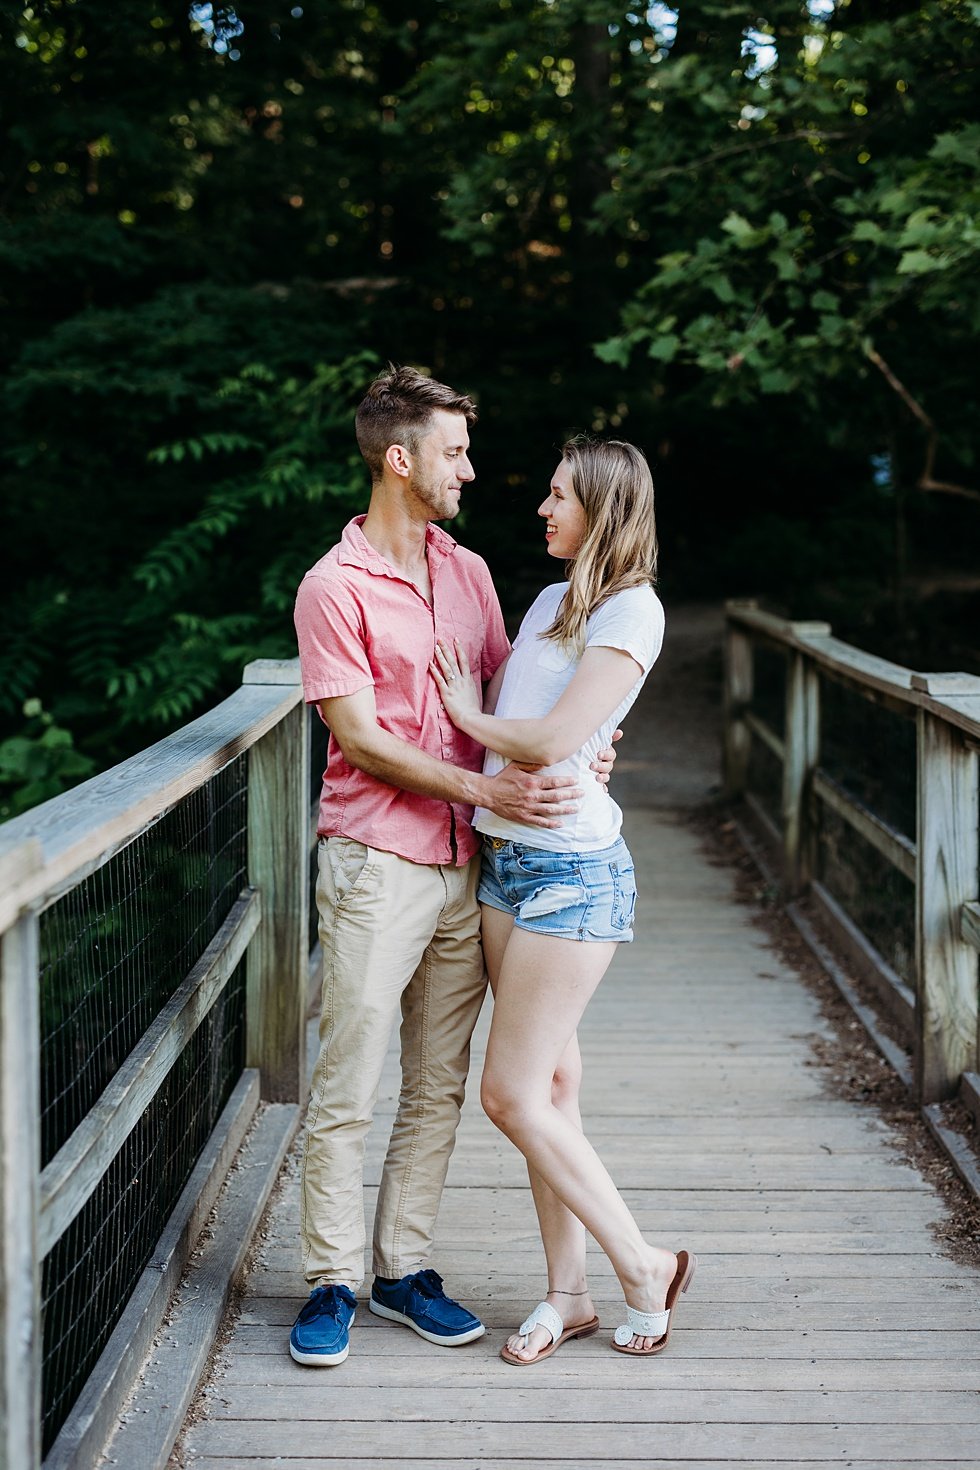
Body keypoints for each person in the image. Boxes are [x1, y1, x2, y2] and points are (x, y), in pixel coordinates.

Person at [289, 366, 617, 1368]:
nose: (469, 470)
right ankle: (330, 1281)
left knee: (437, 1083)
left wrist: (578, 751)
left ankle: (400, 1270)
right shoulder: (331, 588)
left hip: (465, 868)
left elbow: (516, 701)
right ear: (400, 459)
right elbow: (361, 739)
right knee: (349, 1077)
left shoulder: (469, 575)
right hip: (374, 859)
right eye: (454, 451)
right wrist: (487, 792)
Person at [430, 434, 696, 1364]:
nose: (541, 509)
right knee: (548, 1086)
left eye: (557, 496)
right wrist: (534, 739)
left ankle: (642, 1264)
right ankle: (568, 1294)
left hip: (572, 875)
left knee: (508, 1093)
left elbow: (549, 739)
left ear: (603, 508)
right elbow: (549, 735)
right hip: (505, 861)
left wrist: (470, 714)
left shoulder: (634, 611)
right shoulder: (550, 599)